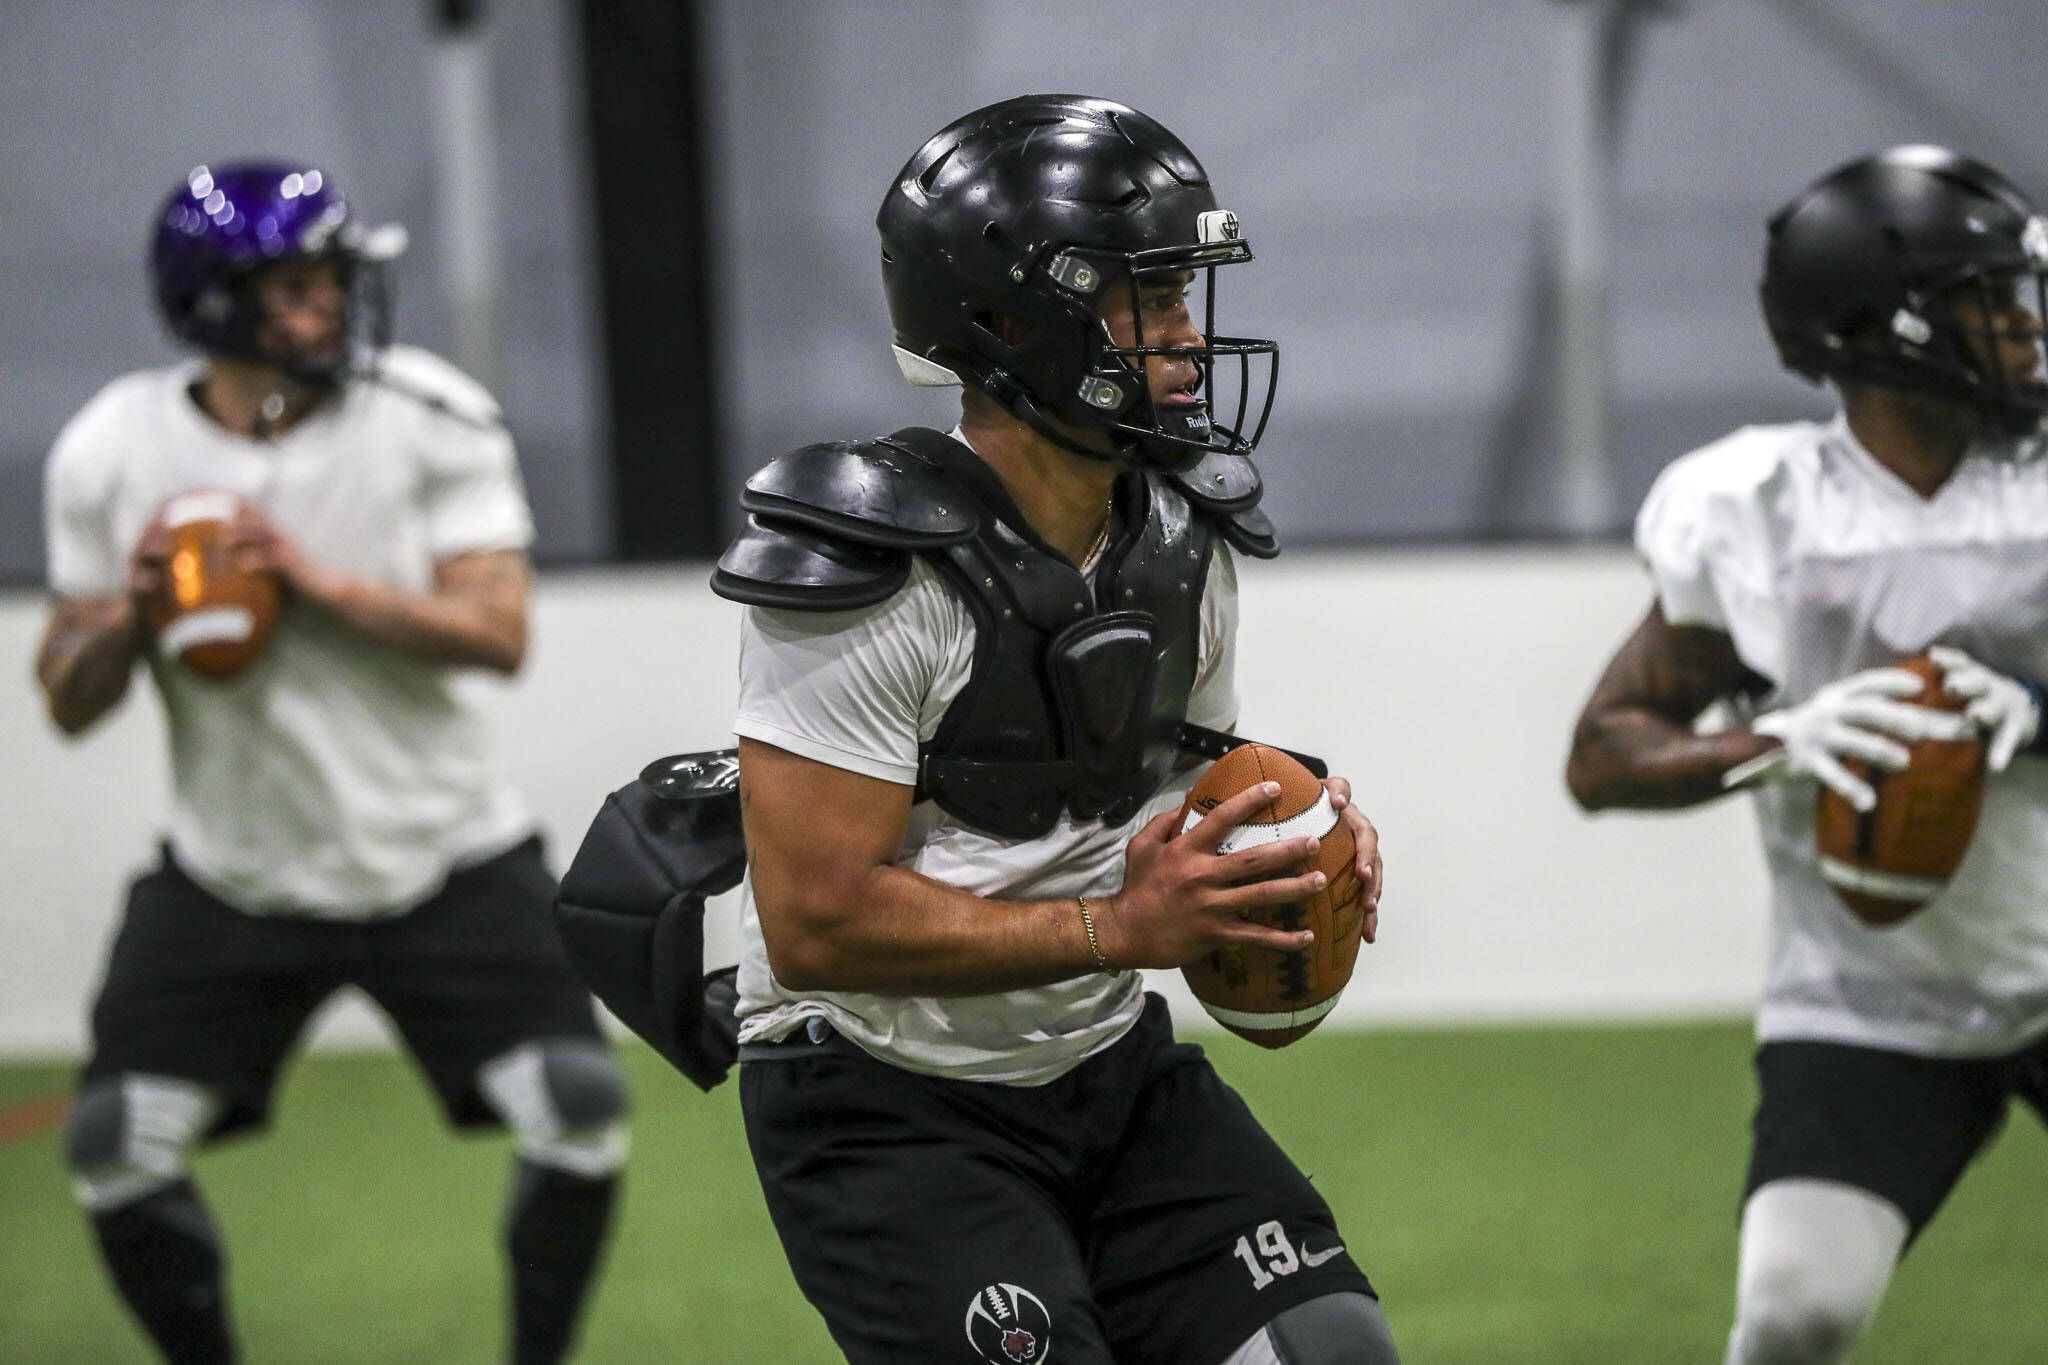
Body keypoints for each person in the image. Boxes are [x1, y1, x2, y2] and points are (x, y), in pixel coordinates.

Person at [709, 95, 1399, 1365]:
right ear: (1014, 324)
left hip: (1104, 1067)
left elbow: (1167, 775)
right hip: (881, 1099)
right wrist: (1115, 931)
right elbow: (812, 925)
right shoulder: (862, 565)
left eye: (1185, 296)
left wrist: (1288, 827)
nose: (1189, 342)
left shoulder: (1181, 533)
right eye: (1147, 304)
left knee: (1332, 1349)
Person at [36, 162, 628, 1365]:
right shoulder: (110, 447)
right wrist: (133, 613)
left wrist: (311, 580)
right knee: (111, 1144)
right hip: (232, 874)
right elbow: (66, 699)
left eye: (335, 281)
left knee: (578, 1114)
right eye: (300, 288)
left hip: (448, 856)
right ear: (213, 305)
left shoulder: (430, 413)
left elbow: (496, 633)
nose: (332, 309)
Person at [1566, 145, 2048, 1365]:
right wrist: (1770, 739)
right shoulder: (1757, 509)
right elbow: (1603, 757)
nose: (2021, 326)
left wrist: (2033, 707)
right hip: (1867, 999)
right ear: (1886, 330)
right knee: (1792, 1318)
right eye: (1985, 300)